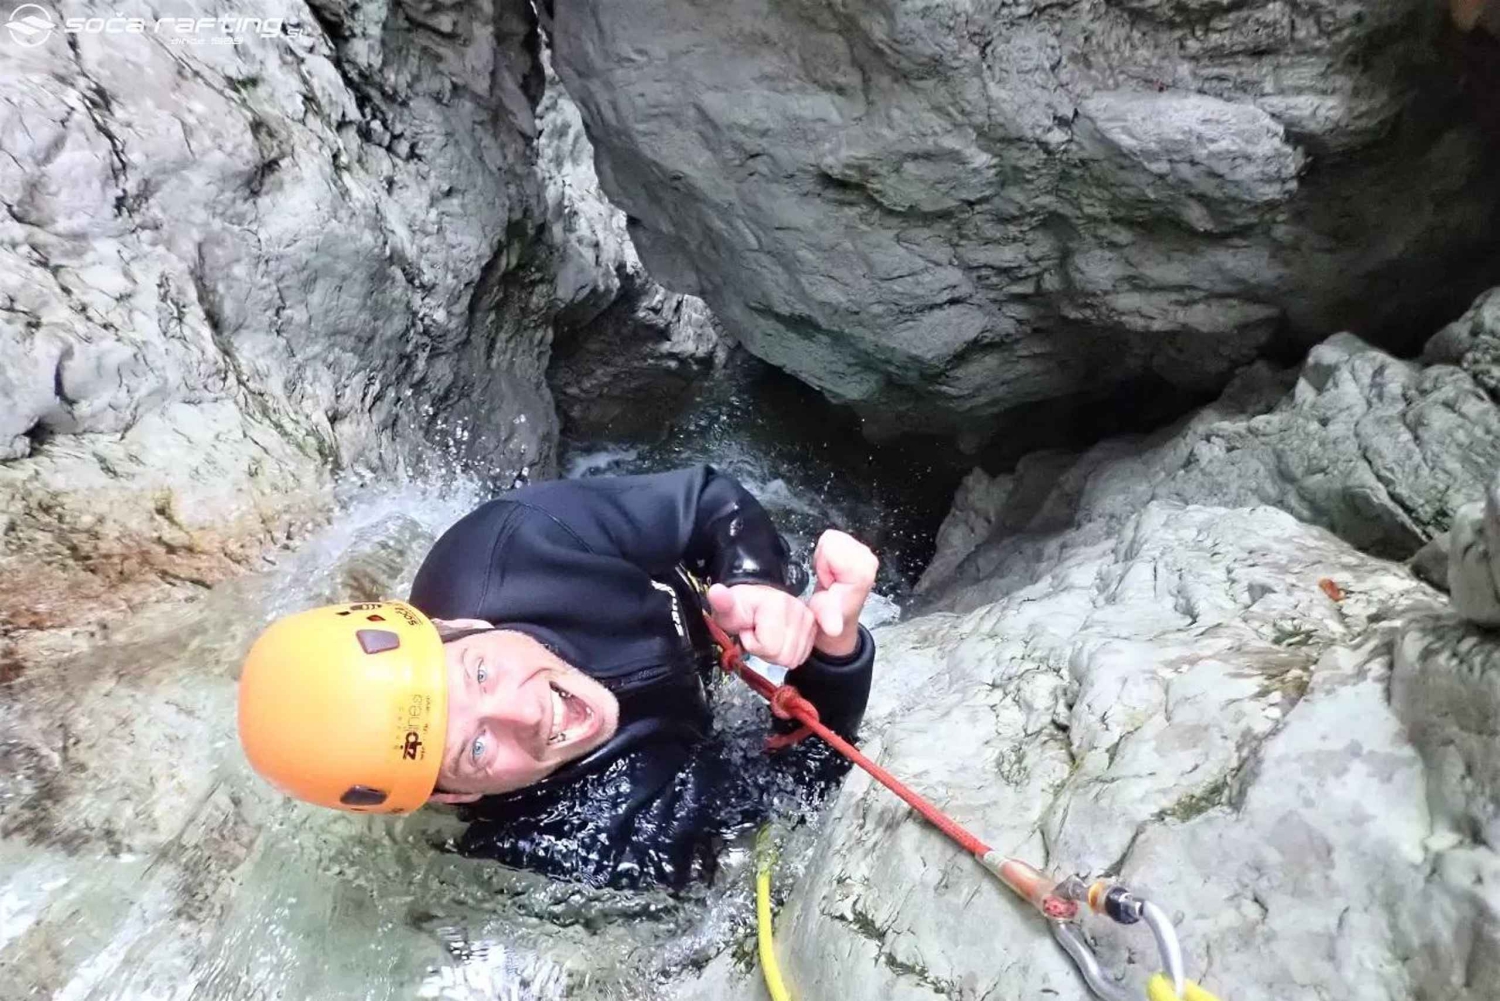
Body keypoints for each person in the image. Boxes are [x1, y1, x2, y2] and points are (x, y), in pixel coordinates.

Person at [238, 465, 879, 888]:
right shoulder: (572, 837)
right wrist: (835, 650)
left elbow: (707, 500)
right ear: (454, 798)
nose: (525, 714)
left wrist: (754, 582)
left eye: (480, 674)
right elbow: (783, 804)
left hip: (706, 612)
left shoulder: (515, 542)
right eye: (476, 749)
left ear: (464, 627)